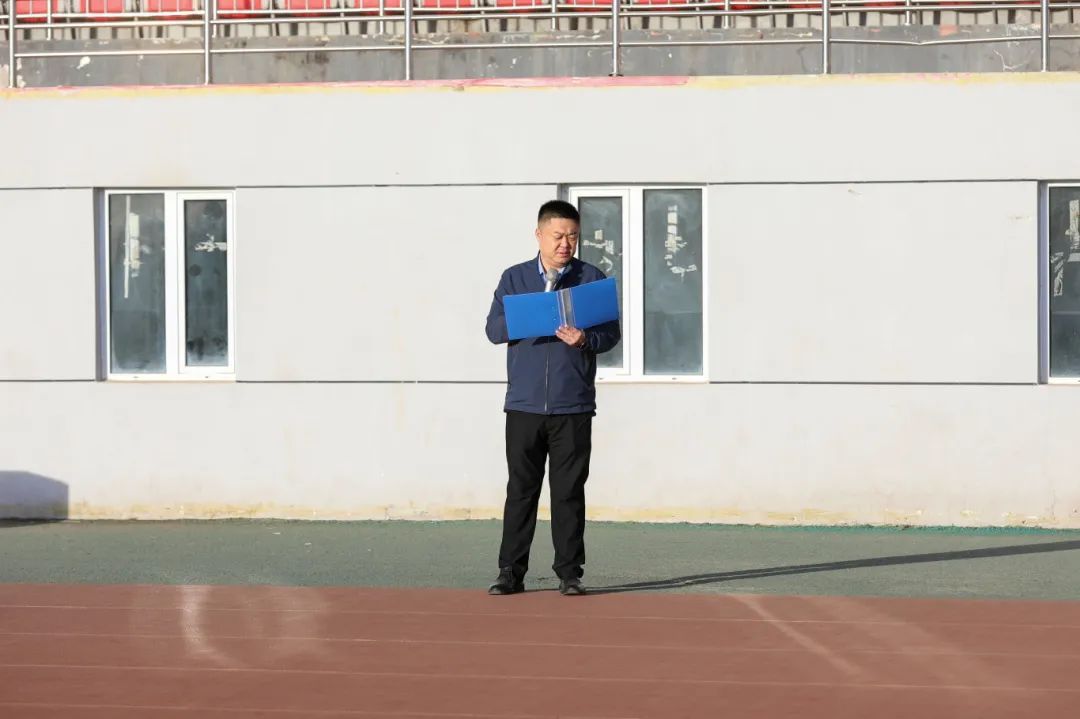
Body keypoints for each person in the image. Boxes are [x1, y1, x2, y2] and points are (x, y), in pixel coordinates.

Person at [484, 200, 621, 596]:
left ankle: (569, 573)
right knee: (521, 491)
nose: (566, 244)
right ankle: (510, 572)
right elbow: (493, 330)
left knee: (568, 493)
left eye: (573, 236)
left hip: (573, 404)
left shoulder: (590, 279)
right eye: (558, 236)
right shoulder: (514, 278)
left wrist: (584, 339)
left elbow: (610, 335)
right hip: (524, 405)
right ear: (539, 235)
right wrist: (530, 316)